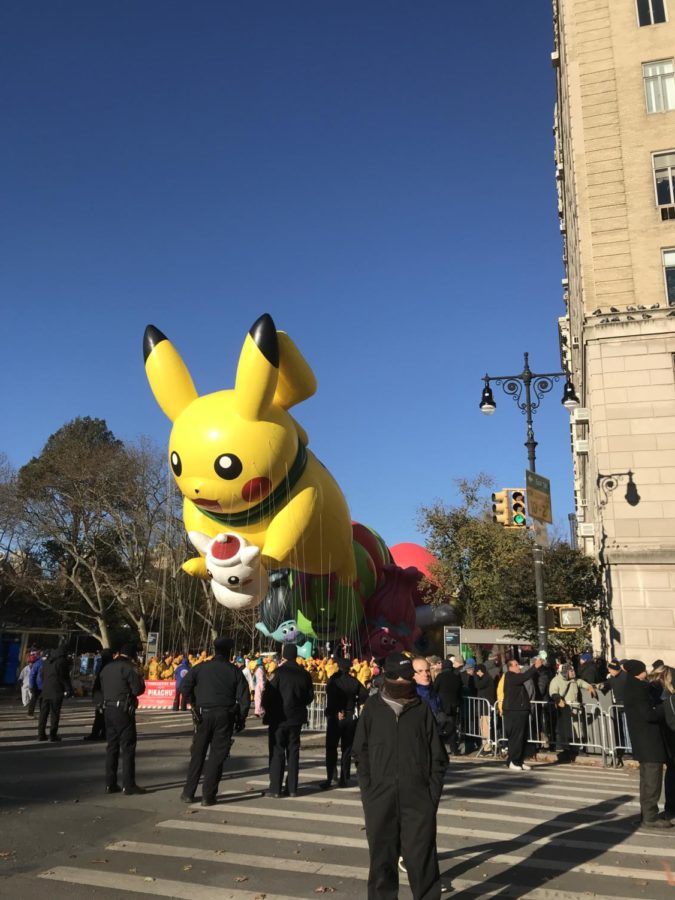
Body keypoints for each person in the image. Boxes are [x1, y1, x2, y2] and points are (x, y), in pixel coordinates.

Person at [353, 651, 448, 900]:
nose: (407, 682)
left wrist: (431, 796)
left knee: (422, 861)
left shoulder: (421, 709)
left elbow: (438, 757)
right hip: (380, 798)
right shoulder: (372, 708)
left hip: (418, 799)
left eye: (410, 676)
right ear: (390, 677)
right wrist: (369, 790)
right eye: (404, 677)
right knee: (382, 863)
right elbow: (360, 752)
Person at [179, 636, 250, 806]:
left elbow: (184, 687)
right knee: (216, 757)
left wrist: (194, 705)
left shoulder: (201, 668)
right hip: (225, 716)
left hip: (203, 714)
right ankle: (208, 796)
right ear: (229, 652)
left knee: (197, 754)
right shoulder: (234, 671)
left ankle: (189, 792)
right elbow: (245, 699)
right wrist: (240, 719)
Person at [622, 659, 671, 828]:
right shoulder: (638, 689)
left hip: (642, 740)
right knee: (652, 781)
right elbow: (649, 715)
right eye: (644, 670)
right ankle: (650, 817)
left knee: (646, 781)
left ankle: (646, 815)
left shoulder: (631, 686)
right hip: (649, 741)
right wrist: (665, 708)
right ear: (639, 672)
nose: (646, 672)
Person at [262, 643, 314, 798]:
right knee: (294, 752)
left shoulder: (277, 673)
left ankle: (275, 788)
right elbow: (310, 696)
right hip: (296, 718)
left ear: (284, 655)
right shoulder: (304, 674)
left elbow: (268, 695)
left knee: (277, 752)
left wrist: (267, 708)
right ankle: (292, 788)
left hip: (278, 718)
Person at [100, 644, 146, 795]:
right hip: (123, 709)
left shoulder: (107, 668)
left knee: (111, 747)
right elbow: (138, 689)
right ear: (132, 655)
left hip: (107, 708)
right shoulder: (128, 668)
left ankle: (110, 783)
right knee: (128, 747)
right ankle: (128, 784)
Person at [320, 656, 368, 790]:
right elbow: (364, 695)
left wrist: (335, 712)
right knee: (346, 749)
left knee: (331, 748)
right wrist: (355, 704)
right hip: (349, 717)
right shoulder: (354, 681)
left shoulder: (333, 680)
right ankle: (344, 778)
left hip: (335, 717)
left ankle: (330, 777)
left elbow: (330, 698)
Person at [502, 656, 543, 771]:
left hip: (521, 711)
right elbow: (525, 676)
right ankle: (513, 761)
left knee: (523, 737)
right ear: (510, 667)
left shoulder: (515, 677)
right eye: (515, 665)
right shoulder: (510, 676)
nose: (518, 667)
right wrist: (534, 667)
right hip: (514, 712)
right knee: (516, 737)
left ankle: (520, 760)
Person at [549, 662, 596, 762]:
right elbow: (553, 691)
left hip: (576, 708)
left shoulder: (574, 680)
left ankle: (578, 748)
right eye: (571, 671)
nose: (573, 672)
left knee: (578, 729)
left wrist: (589, 687)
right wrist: (557, 699)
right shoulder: (556, 680)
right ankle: (567, 748)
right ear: (565, 672)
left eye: (573, 670)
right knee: (567, 729)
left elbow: (581, 682)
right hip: (565, 709)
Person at [37, 645, 72, 742]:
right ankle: (53, 735)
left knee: (43, 713)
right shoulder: (62, 662)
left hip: (45, 690)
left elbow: (42, 675)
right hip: (56, 691)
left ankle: (41, 734)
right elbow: (64, 678)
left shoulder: (46, 662)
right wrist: (68, 689)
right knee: (55, 714)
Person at [432, 658, 462, 754]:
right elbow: (459, 690)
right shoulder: (456, 677)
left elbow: (434, 689)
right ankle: (454, 749)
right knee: (452, 727)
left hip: (441, 705)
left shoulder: (440, 676)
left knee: (440, 726)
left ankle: (439, 748)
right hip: (453, 705)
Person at [84, 648, 113, 741]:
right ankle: (103, 733)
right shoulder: (110, 665)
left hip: (101, 694)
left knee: (99, 715)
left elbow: (99, 682)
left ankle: (96, 733)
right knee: (104, 715)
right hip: (107, 694)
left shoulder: (103, 666)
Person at [474, 663, 496, 752]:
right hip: (484, 706)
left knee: (485, 727)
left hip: (486, 706)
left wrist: (475, 677)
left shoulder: (486, 678)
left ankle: (487, 748)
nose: (477, 674)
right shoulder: (487, 678)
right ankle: (485, 746)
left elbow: (478, 685)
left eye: (478, 672)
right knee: (484, 727)